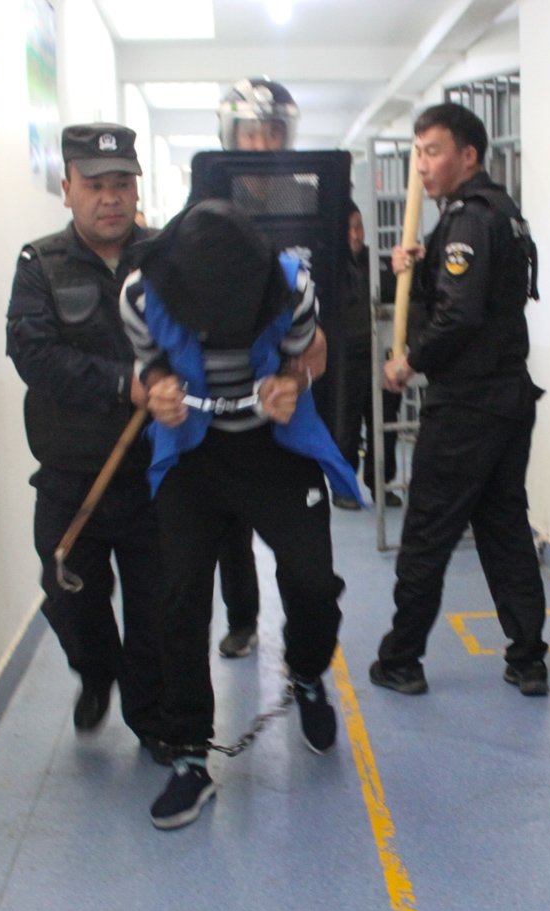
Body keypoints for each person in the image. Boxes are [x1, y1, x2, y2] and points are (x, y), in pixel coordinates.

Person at [121, 200, 360, 830]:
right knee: (179, 598)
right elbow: (148, 370)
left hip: (272, 446)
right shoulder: (142, 295)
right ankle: (190, 757)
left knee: (312, 581)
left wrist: (294, 383)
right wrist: (159, 391)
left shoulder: (290, 284)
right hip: (193, 451)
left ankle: (307, 673)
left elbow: (314, 357)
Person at [368, 103, 549, 698]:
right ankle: (528, 659)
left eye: (434, 150)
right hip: (507, 400)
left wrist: (408, 362)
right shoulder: (501, 212)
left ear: (468, 156)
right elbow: (477, 297)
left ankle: (401, 658)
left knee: (426, 532)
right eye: (418, 152)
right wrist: (416, 269)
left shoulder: (468, 220)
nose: (422, 164)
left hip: (468, 407)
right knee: (504, 528)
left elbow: (460, 315)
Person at [5, 122, 169, 745]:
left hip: (153, 476)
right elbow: (33, 356)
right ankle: (96, 671)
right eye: (96, 184)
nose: (111, 197)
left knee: (156, 610)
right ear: (68, 189)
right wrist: (123, 382)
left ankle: (152, 721)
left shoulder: (166, 256)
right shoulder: (40, 265)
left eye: (122, 183)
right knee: (69, 598)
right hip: (71, 478)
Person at [197, 76, 311, 660]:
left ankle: (304, 650)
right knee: (227, 531)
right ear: (230, 136)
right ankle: (242, 619)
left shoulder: (309, 203)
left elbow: (325, 313)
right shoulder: (205, 211)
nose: (262, 145)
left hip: (289, 407)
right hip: (220, 402)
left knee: (300, 544)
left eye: (272, 133)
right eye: (250, 132)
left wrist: (297, 375)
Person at [330, 202, 401, 509]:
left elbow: (400, 303)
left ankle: (381, 484)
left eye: (359, 226)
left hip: (380, 356)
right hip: (346, 358)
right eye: (349, 227)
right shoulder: (329, 266)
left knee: (384, 424)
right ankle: (344, 488)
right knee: (345, 425)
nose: (356, 234)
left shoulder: (380, 264)